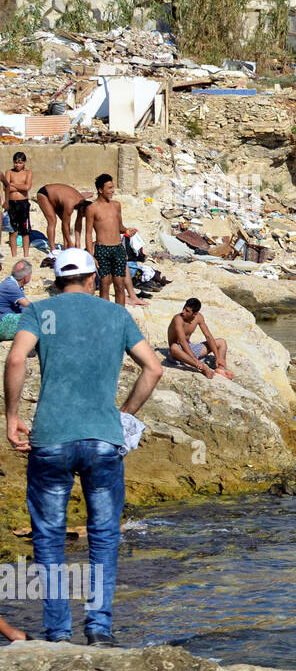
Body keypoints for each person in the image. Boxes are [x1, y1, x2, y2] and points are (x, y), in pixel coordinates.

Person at [4, 248, 163, 645]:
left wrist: (11, 416)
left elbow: (16, 359)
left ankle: (58, 634)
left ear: (57, 281)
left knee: (48, 537)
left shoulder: (40, 312)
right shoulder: (115, 314)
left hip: (51, 439)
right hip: (104, 440)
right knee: (105, 535)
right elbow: (154, 368)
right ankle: (99, 629)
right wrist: (124, 414)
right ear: (94, 279)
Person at [84, 174, 145, 307]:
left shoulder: (116, 205)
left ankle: (120, 315)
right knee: (105, 285)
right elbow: (88, 234)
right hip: (102, 249)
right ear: (100, 190)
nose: (112, 191)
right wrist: (91, 254)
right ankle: (106, 315)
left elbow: (119, 226)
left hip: (117, 248)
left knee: (119, 285)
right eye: (109, 188)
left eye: (113, 188)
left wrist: (127, 230)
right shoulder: (92, 208)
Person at [167, 298, 233, 380]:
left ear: (194, 314)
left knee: (221, 342)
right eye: (184, 308)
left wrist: (217, 357)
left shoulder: (198, 317)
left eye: (187, 311)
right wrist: (195, 360)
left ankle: (221, 369)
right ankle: (202, 367)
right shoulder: (178, 319)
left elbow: (208, 337)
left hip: (190, 348)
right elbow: (182, 341)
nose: (183, 312)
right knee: (174, 348)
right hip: (179, 352)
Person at [34, 182, 89, 250]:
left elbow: (78, 224)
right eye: (83, 214)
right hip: (45, 194)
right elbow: (64, 224)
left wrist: (77, 242)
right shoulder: (70, 204)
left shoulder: (83, 204)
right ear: (82, 208)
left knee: (66, 223)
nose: (82, 216)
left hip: (58, 200)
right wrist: (70, 242)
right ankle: (52, 249)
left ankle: (66, 247)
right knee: (52, 221)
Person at [3, 152, 33, 258]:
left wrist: (12, 184)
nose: (17, 165)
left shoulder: (28, 173)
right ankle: (14, 255)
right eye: (15, 163)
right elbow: (6, 188)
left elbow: (27, 187)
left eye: (20, 163)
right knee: (12, 230)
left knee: (25, 231)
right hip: (11, 203)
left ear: (24, 163)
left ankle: (26, 254)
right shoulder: (9, 172)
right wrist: (17, 186)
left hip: (23, 203)